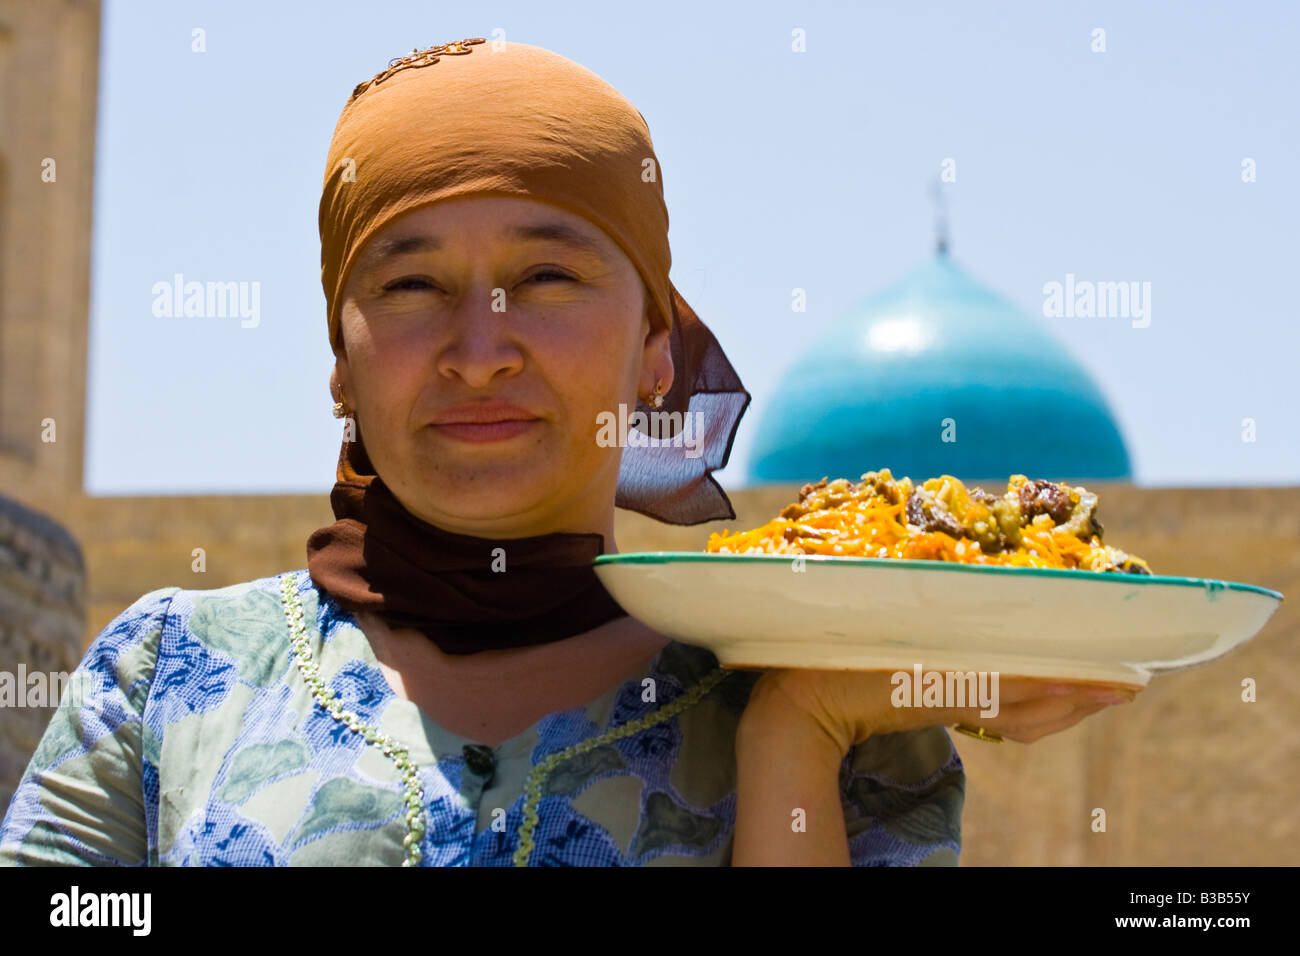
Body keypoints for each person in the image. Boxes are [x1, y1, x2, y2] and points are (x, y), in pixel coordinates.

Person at [0, 37, 1134, 867]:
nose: (479, 349)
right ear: (339, 362)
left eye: (546, 277)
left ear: (655, 349)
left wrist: (799, 727)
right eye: (408, 286)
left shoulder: (829, 722)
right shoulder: (163, 683)